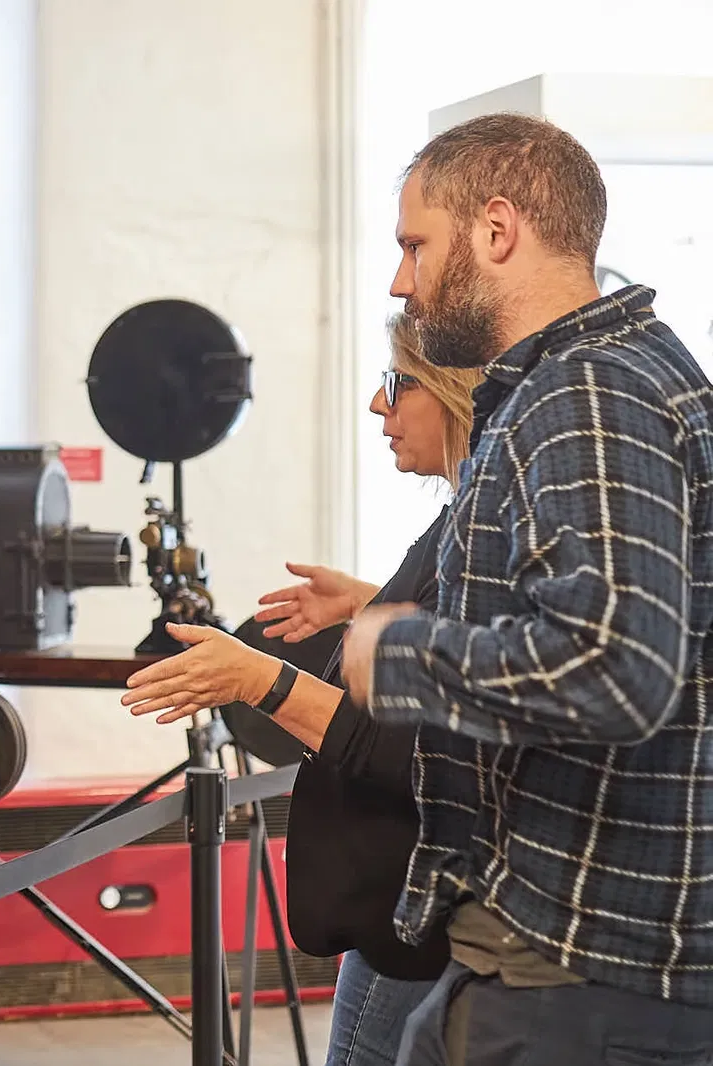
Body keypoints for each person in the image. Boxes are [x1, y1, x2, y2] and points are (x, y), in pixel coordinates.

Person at [338, 112, 713, 1066]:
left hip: (582, 977)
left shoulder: (586, 392)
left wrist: (398, 650)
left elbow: (615, 665)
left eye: (416, 245)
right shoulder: (600, 378)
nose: (401, 279)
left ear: (497, 232)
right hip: (552, 960)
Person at [121, 313, 482, 1066]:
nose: (379, 407)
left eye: (396, 384)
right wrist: (370, 600)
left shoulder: (484, 522)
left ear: (455, 392)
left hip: (413, 917)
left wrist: (257, 678)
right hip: (404, 907)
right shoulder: (467, 518)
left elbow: (410, 745)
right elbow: (448, 640)